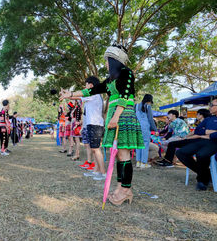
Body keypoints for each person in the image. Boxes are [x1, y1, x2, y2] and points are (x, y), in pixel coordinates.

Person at [60, 44, 144, 205]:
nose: (106, 64)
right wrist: (70, 94)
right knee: (119, 154)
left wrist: (116, 116)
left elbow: (125, 96)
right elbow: (91, 91)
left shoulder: (126, 73)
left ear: (114, 60)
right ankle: (120, 187)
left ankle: (126, 190)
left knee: (124, 154)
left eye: (107, 60)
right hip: (114, 115)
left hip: (123, 115)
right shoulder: (111, 80)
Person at [66, 76, 106, 180]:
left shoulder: (93, 93)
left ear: (91, 85)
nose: (85, 87)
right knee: (94, 149)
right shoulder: (93, 95)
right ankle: (96, 171)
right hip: (92, 124)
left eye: (86, 84)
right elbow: (77, 97)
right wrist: (68, 95)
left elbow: (78, 96)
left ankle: (103, 173)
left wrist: (69, 95)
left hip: (95, 124)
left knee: (96, 149)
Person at [176, 98, 217, 190]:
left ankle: (202, 181)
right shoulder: (209, 119)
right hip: (202, 140)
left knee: (201, 155)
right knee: (180, 153)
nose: (209, 107)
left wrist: (209, 135)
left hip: (214, 142)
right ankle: (206, 175)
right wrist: (208, 132)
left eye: (212, 105)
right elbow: (197, 130)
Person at [135, 94, 157, 168]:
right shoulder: (148, 107)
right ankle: (143, 163)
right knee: (145, 145)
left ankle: (138, 162)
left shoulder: (136, 106)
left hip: (137, 127)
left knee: (138, 145)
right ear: (149, 100)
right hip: (145, 128)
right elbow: (150, 120)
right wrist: (155, 129)